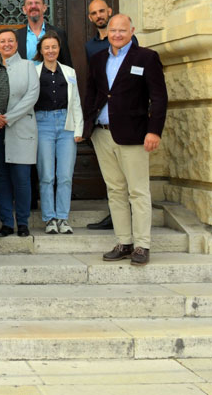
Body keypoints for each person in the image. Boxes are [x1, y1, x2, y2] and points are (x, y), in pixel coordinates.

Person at [83, 14, 167, 266]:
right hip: (102, 134)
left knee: (138, 191)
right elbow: (92, 94)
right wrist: (87, 125)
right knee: (115, 191)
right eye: (113, 30)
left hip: (134, 135)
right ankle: (124, 241)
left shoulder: (146, 58)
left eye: (122, 30)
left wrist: (154, 131)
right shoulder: (98, 59)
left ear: (132, 31)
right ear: (107, 32)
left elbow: (159, 98)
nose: (117, 34)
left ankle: (142, 245)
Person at [84, 0, 139, 230]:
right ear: (90, 18)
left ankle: (136, 220)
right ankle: (115, 218)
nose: (99, 16)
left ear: (109, 11)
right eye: (94, 13)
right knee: (113, 180)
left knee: (132, 179)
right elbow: (95, 85)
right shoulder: (91, 48)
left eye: (102, 11)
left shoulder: (130, 41)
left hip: (128, 122)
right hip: (103, 123)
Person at [0, 29, 39, 237]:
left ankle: (23, 222)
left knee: (22, 178)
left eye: (10, 40)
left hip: (20, 128)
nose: (6, 44)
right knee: (1, 178)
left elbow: (31, 96)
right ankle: (7, 222)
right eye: (2, 41)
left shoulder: (28, 66)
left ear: (16, 43)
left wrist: (8, 118)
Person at [33, 32, 83, 235]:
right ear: (41, 51)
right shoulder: (34, 72)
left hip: (66, 125)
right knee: (46, 175)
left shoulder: (69, 72)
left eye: (54, 47)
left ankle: (62, 217)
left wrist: (79, 128)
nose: (51, 50)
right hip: (42, 123)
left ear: (59, 49)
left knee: (64, 175)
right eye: (47, 47)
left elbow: (76, 101)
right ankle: (49, 219)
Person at [14, 0, 73, 67]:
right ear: (24, 9)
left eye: (37, 3)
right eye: (30, 3)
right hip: (26, 78)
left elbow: (66, 64)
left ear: (44, 8)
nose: (33, 6)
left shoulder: (59, 33)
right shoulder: (17, 36)